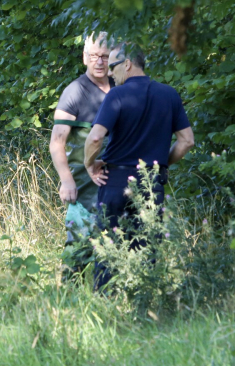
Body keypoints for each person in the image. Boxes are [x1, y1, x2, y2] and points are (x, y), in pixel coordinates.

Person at [83, 44, 195, 289]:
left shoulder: (116, 95)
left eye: (112, 66)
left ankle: (104, 305)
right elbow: (187, 141)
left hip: (115, 181)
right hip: (151, 183)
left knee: (108, 247)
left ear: (128, 64)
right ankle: (142, 307)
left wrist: (90, 165)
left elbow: (94, 138)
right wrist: (158, 164)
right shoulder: (169, 95)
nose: (110, 73)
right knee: (145, 249)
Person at [49, 32, 114, 273]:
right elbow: (56, 142)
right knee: (78, 247)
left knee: (115, 245)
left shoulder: (120, 87)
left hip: (117, 181)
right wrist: (66, 180)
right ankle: (68, 298)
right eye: (95, 56)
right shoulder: (75, 91)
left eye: (105, 56)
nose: (100, 62)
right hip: (83, 185)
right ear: (85, 57)